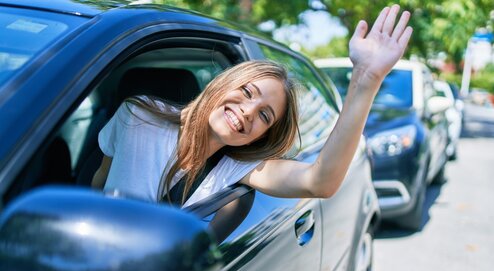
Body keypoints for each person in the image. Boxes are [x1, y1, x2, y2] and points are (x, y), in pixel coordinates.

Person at [92, 5, 412, 208]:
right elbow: (100, 182)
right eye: (247, 92)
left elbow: (321, 182)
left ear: (259, 137)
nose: (248, 111)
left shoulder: (233, 169)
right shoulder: (138, 112)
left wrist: (367, 78)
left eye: (264, 115)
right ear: (222, 84)